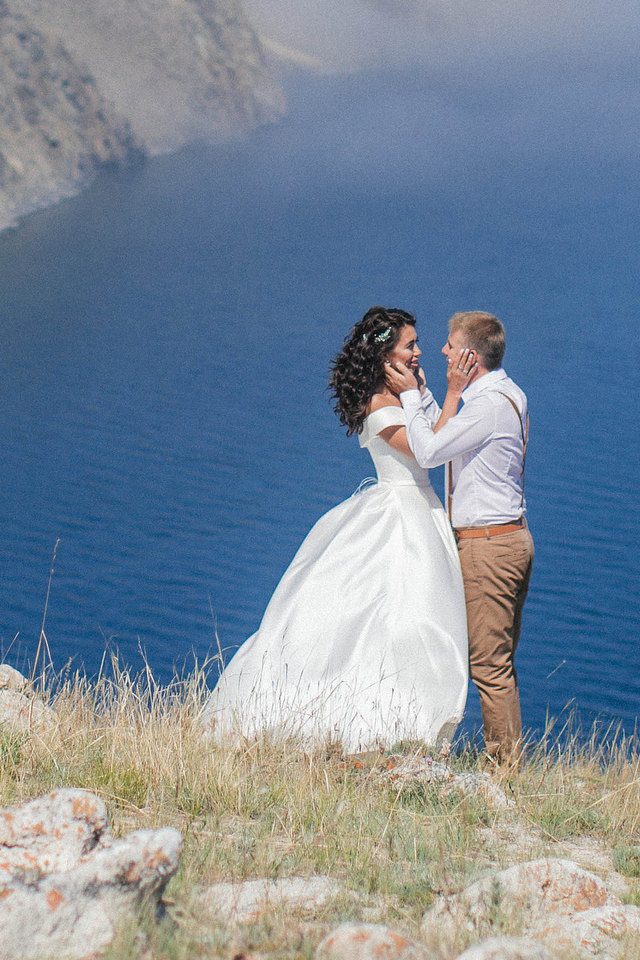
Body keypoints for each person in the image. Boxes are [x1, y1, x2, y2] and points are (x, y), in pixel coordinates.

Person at [200, 306, 469, 752]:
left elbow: (439, 432)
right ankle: (372, 725)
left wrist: (422, 393)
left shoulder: (405, 394)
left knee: (419, 620)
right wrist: (453, 391)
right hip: (400, 516)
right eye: (411, 344)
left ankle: (413, 726)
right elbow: (429, 453)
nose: (420, 352)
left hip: (423, 512)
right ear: (386, 354)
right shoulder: (380, 406)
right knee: (401, 618)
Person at [403, 310, 531, 766]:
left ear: (469, 356)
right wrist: (426, 391)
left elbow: (431, 450)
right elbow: (451, 432)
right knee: (499, 662)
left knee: (488, 666)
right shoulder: (504, 395)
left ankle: (504, 769)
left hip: (487, 546)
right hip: (508, 540)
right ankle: (507, 762)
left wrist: (409, 396)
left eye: (450, 345)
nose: (440, 351)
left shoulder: (487, 404)